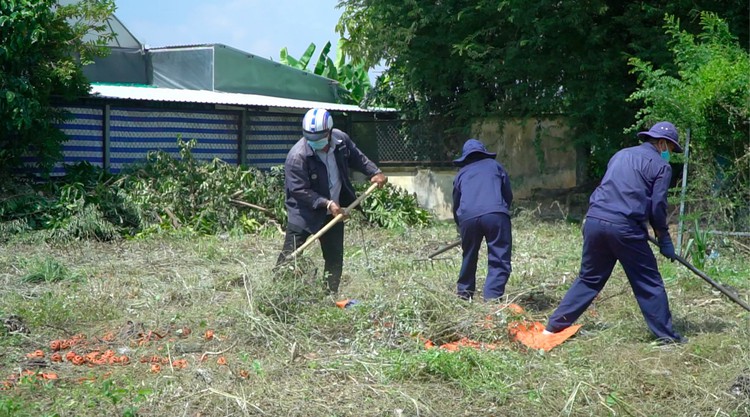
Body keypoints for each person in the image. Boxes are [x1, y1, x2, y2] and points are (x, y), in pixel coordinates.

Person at [543, 121, 686, 344]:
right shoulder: (661, 166)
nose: (669, 154)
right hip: (624, 227)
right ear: (661, 143)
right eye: (670, 148)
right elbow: (657, 206)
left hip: (594, 220)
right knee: (648, 281)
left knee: (589, 279)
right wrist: (664, 237)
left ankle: (552, 328)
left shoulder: (621, 155)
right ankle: (667, 337)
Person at [275, 108, 387, 293]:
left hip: (334, 214)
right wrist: (326, 203)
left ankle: (329, 295)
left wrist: (374, 172)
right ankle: (278, 293)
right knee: (290, 256)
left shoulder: (341, 141)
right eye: (310, 137)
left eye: (318, 137)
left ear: (328, 132)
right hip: (304, 213)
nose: (314, 142)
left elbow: (358, 157)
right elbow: (299, 190)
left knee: (334, 257)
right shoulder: (297, 157)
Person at [452, 138, 513, 301]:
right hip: (495, 214)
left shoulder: (461, 173)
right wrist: (502, 211)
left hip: (467, 218)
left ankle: (464, 294)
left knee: (469, 255)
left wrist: (462, 228)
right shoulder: (495, 166)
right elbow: (507, 194)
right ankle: (492, 298)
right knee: (499, 256)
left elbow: (456, 205)